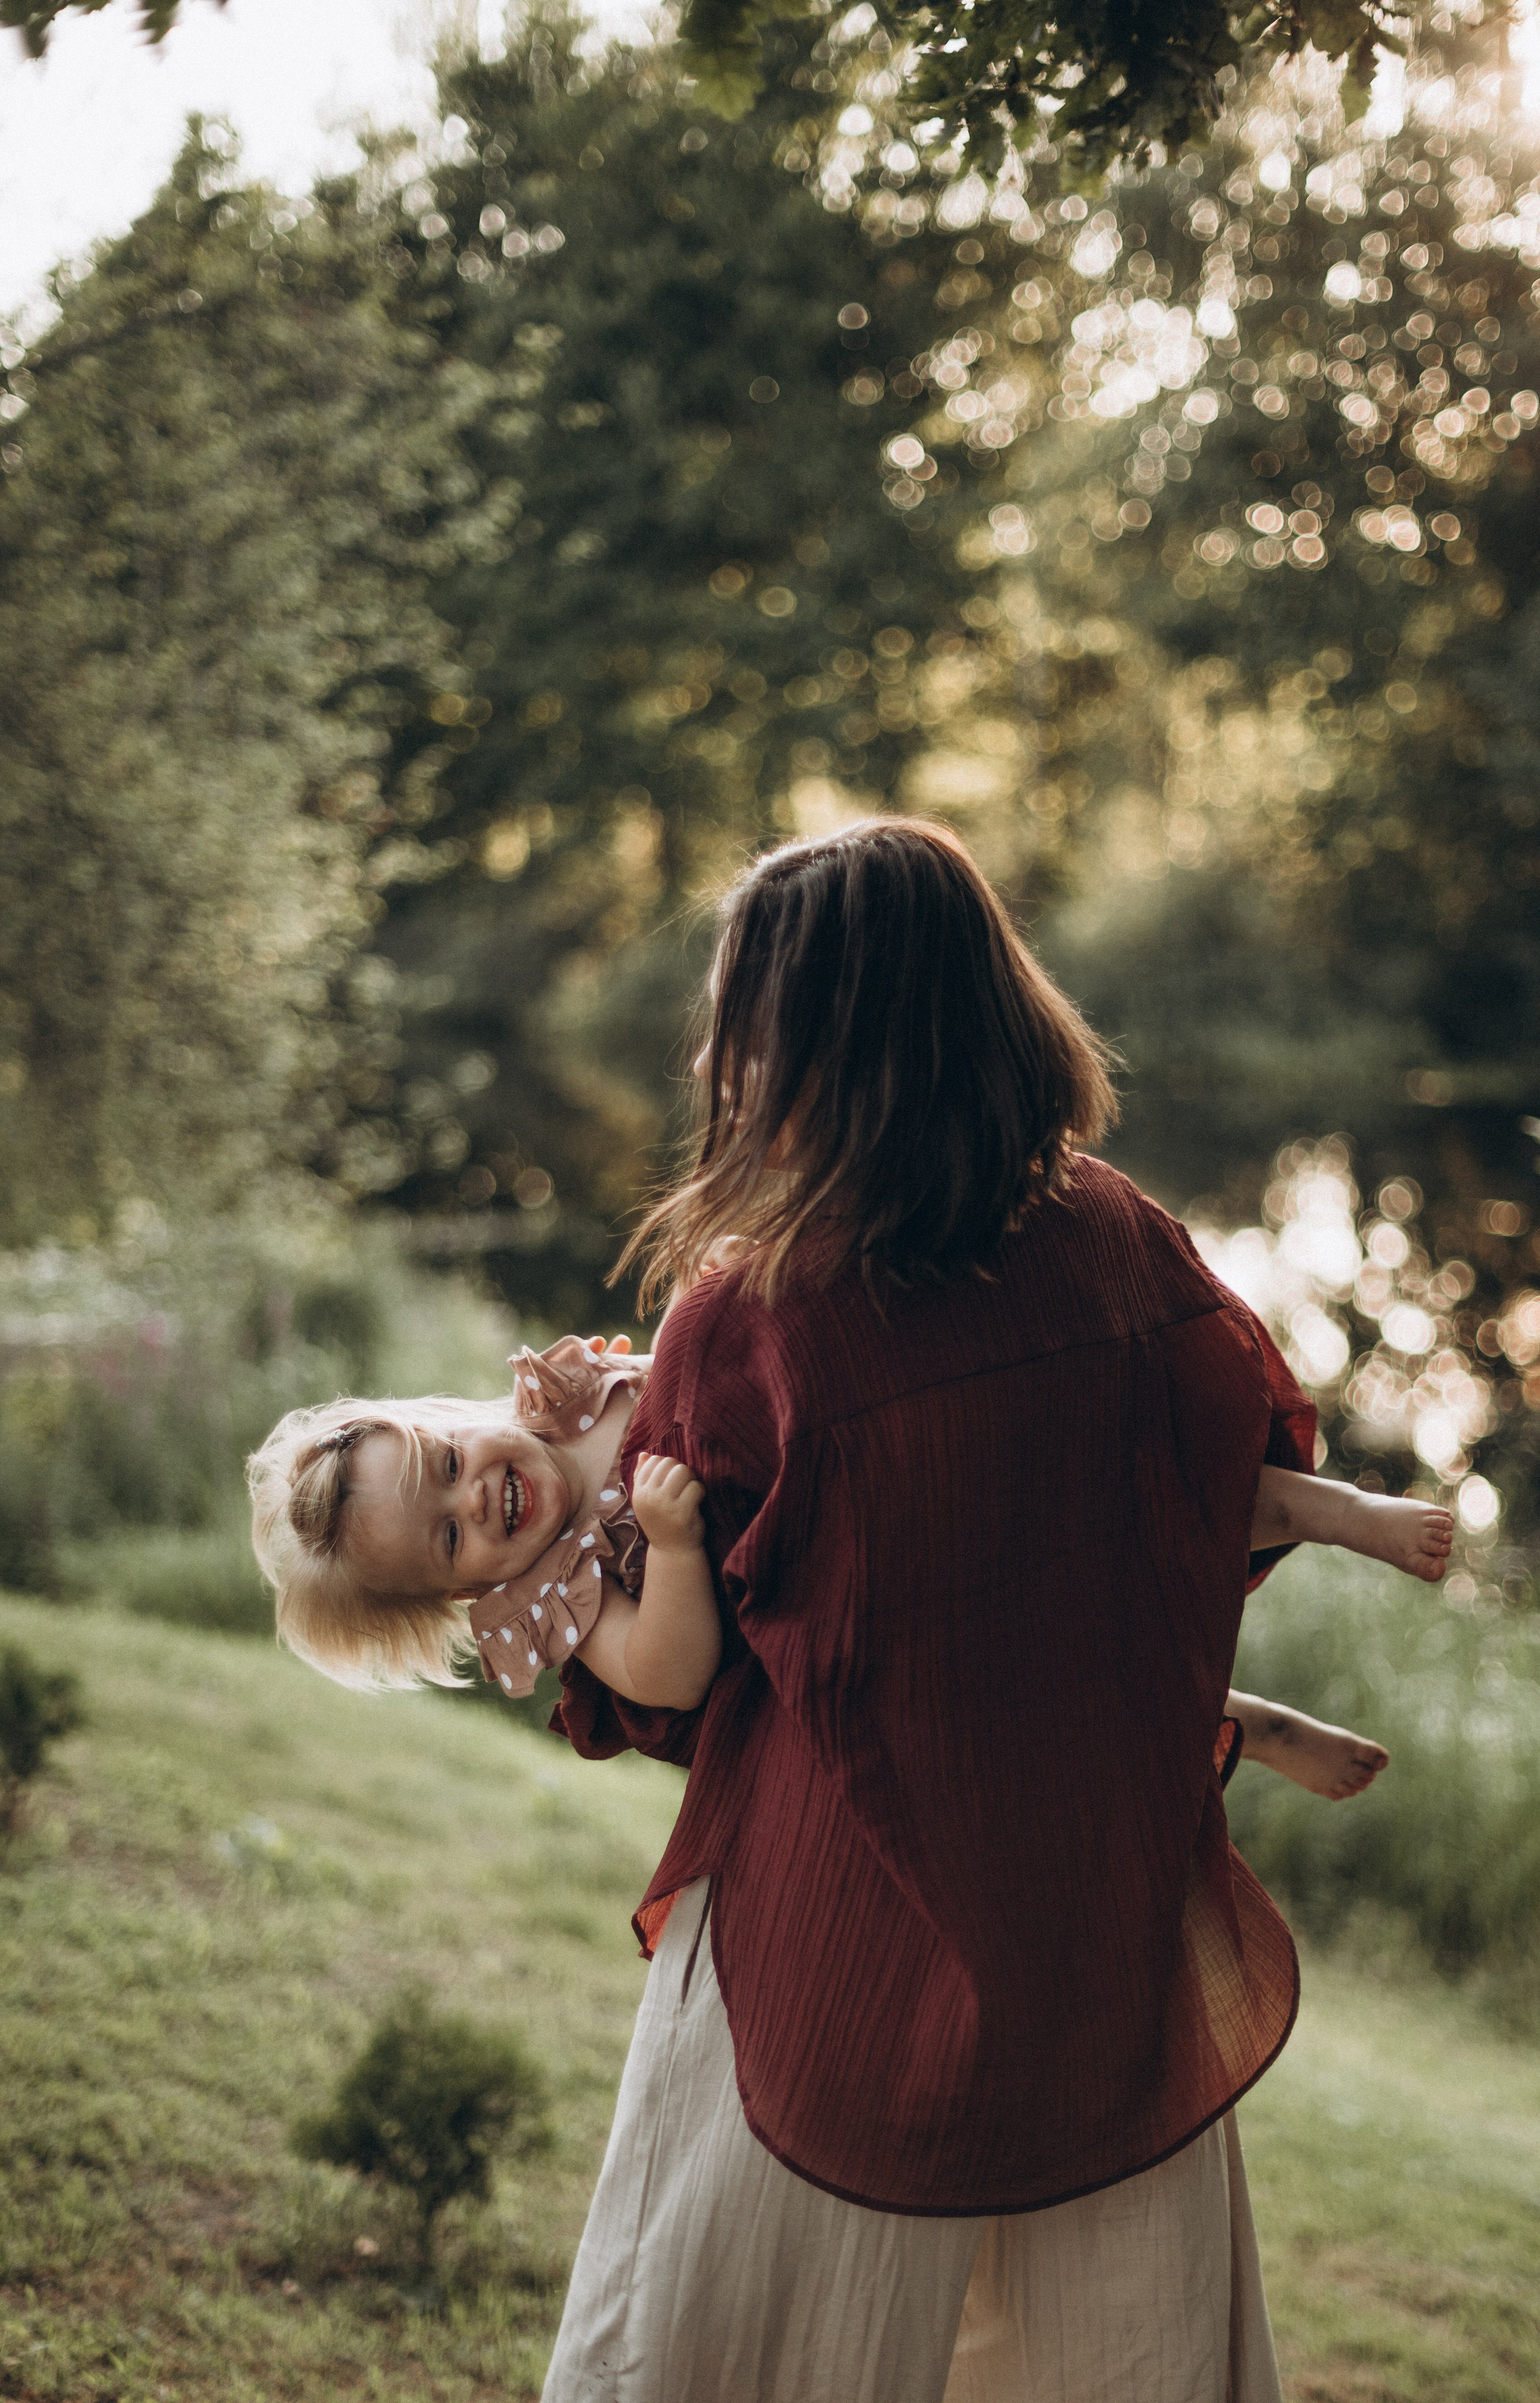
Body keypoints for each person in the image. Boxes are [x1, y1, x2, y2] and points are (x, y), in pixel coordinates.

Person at [249, 817, 1444, 2402]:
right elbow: (1181, 1506)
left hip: (833, 1933)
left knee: (732, 2346)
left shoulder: (748, 1324)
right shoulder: (1111, 1234)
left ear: (840, 1047)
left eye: (740, 1029)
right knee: (1111, 2347)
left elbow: (695, 1676)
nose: (710, 1066)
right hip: (1088, 1902)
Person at [249, 1338, 1434, 1805]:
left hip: (875, 1478)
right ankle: (1245, 1725)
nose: (475, 1497)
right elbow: (667, 1674)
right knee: (1053, 1660)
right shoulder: (554, 1595)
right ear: (464, 1595)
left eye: (449, 1462)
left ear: (450, 1417)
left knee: (1085, 1485)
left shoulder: (567, 1399)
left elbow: (717, 1363)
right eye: (449, 1538)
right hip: (859, 1611)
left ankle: (1327, 1509)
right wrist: (670, 1549)